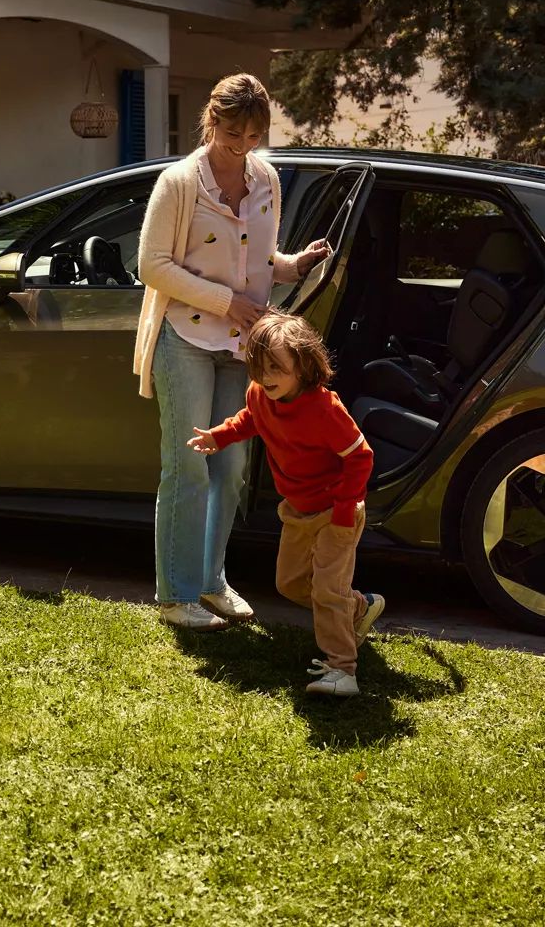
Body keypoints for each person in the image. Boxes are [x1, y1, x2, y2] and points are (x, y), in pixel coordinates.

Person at [132, 73, 331, 632]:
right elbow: (151, 266)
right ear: (211, 121)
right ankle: (175, 594)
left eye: (255, 134)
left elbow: (258, 258)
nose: (244, 144)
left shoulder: (266, 176)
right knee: (188, 467)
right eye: (233, 133)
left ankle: (212, 582)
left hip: (242, 346)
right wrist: (227, 303)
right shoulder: (179, 183)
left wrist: (296, 265)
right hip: (187, 339)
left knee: (233, 468)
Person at [187, 313, 385, 697]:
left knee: (327, 591)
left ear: (304, 363)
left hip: (336, 513)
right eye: (258, 366)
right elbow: (251, 420)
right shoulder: (260, 395)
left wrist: (345, 510)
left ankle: (342, 670)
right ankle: (359, 609)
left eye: (276, 367)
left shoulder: (325, 409)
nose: (266, 375)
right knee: (290, 584)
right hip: (297, 509)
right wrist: (219, 436)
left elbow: (360, 456)